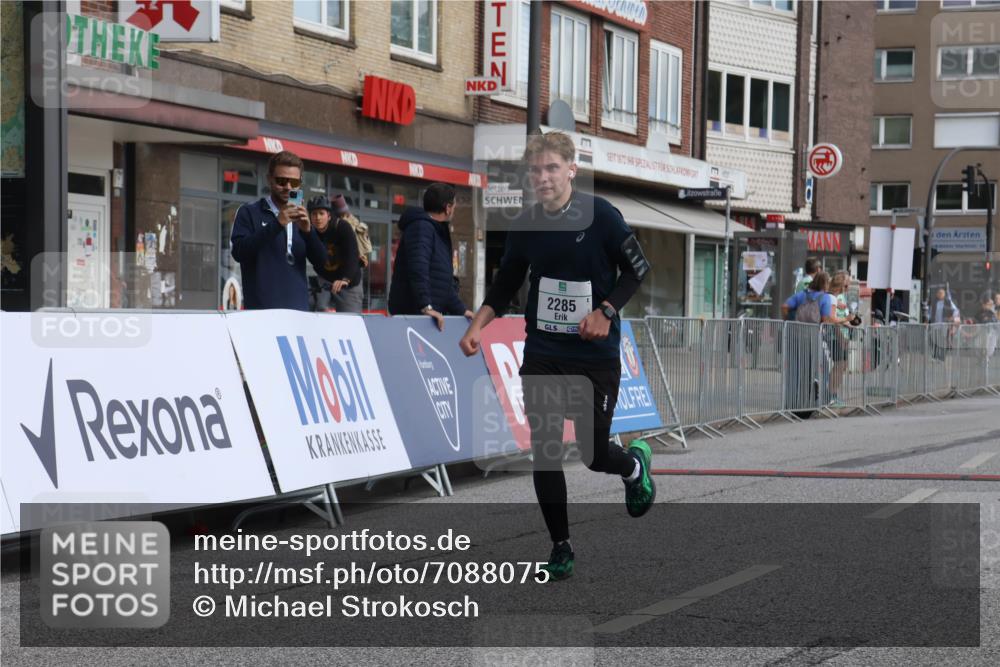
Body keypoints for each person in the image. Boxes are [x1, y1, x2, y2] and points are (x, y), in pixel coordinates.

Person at [458, 131, 654, 582]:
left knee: (592, 452)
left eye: (551, 168)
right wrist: (477, 327)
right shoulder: (526, 224)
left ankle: (633, 465)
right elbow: (507, 284)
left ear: (571, 169)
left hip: (593, 354)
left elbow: (638, 269)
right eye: (535, 170)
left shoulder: (601, 216)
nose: (543, 177)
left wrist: (606, 310)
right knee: (545, 450)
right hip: (544, 351)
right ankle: (560, 545)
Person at [230, 151, 326, 310]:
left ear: (300, 183)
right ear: (269, 179)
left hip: (298, 314)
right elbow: (239, 252)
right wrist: (277, 224)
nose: (288, 187)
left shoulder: (302, 217)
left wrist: (309, 233)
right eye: (281, 181)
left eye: (294, 183)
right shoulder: (249, 212)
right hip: (262, 313)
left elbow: (323, 264)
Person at [388, 183, 473, 329]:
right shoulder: (421, 227)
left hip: (426, 317)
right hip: (415, 316)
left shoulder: (436, 231)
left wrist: (461, 310)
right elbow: (418, 268)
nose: (454, 210)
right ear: (447, 208)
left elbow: (442, 282)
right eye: (454, 206)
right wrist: (426, 306)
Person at [307, 195, 363, 313]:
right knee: (319, 312)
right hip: (326, 279)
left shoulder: (342, 227)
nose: (318, 218)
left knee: (349, 320)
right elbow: (312, 258)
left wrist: (345, 279)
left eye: (321, 213)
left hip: (348, 281)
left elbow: (352, 255)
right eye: (314, 214)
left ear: (329, 215)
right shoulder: (309, 232)